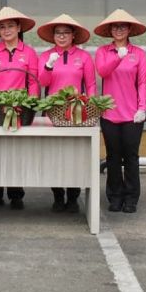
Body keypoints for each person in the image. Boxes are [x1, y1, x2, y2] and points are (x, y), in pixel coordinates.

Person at [0, 6, 39, 210]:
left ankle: (16, 195)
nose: (6, 30)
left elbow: (33, 82)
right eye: (2, 27)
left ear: (19, 27)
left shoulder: (29, 52)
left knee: (15, 152)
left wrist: (31, 103)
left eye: (10, 26)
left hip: (19, 108)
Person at [37, 13, 96, 213]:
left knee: (73, 154)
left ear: (73, 36)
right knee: (54, 155)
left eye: (66, 33)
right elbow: (42, 82)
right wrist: (49, 65)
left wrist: (93, 109)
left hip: (76, 112)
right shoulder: (46, 56)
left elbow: (91, 84)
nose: (61, 36)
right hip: (53, 112)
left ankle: (73, 196)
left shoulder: (83, 56)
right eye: (58, 33)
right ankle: (57, 195)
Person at [93, 9, 146, 214]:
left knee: (131, 157)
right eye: (115, 27)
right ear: (110, 30)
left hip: (132, 115)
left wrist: (142, 107)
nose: (118, 30)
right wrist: (118, 57)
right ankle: (115, 196)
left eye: (123, 27)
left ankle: (131, 197)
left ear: (129, 29)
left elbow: (142, 82)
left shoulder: (139, 53)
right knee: (113, 157)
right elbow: (103, 71)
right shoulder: (102, 52)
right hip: (110, 114)